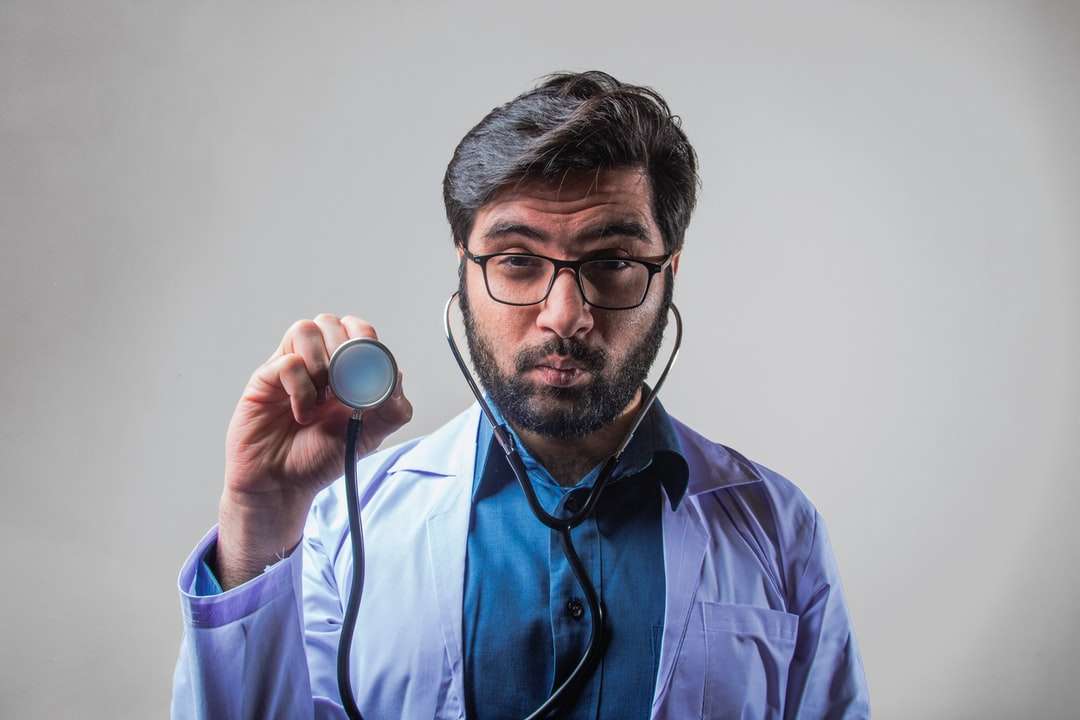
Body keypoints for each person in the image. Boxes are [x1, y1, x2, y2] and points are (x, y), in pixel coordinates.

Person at [171, 71, 870, 719]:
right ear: (464, 274)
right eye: (516, 261)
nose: (564, 315)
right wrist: (260, 519)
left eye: (615, 262)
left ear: (669, 274)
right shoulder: (341, 526)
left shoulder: (776, 528)